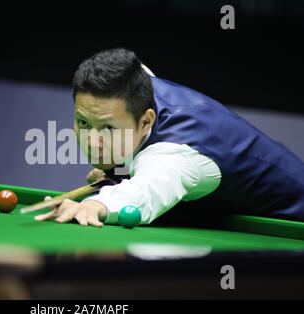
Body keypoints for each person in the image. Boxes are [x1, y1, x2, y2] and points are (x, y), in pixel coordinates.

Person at [35, 48, 304, 227]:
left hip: (290, 225)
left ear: (147, 121)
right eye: (83, 122)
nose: (92, 142)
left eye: (108, 128)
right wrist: (119, 170)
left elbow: (145, 192)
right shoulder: (134, 82)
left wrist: (97, 204)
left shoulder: (178, 153)